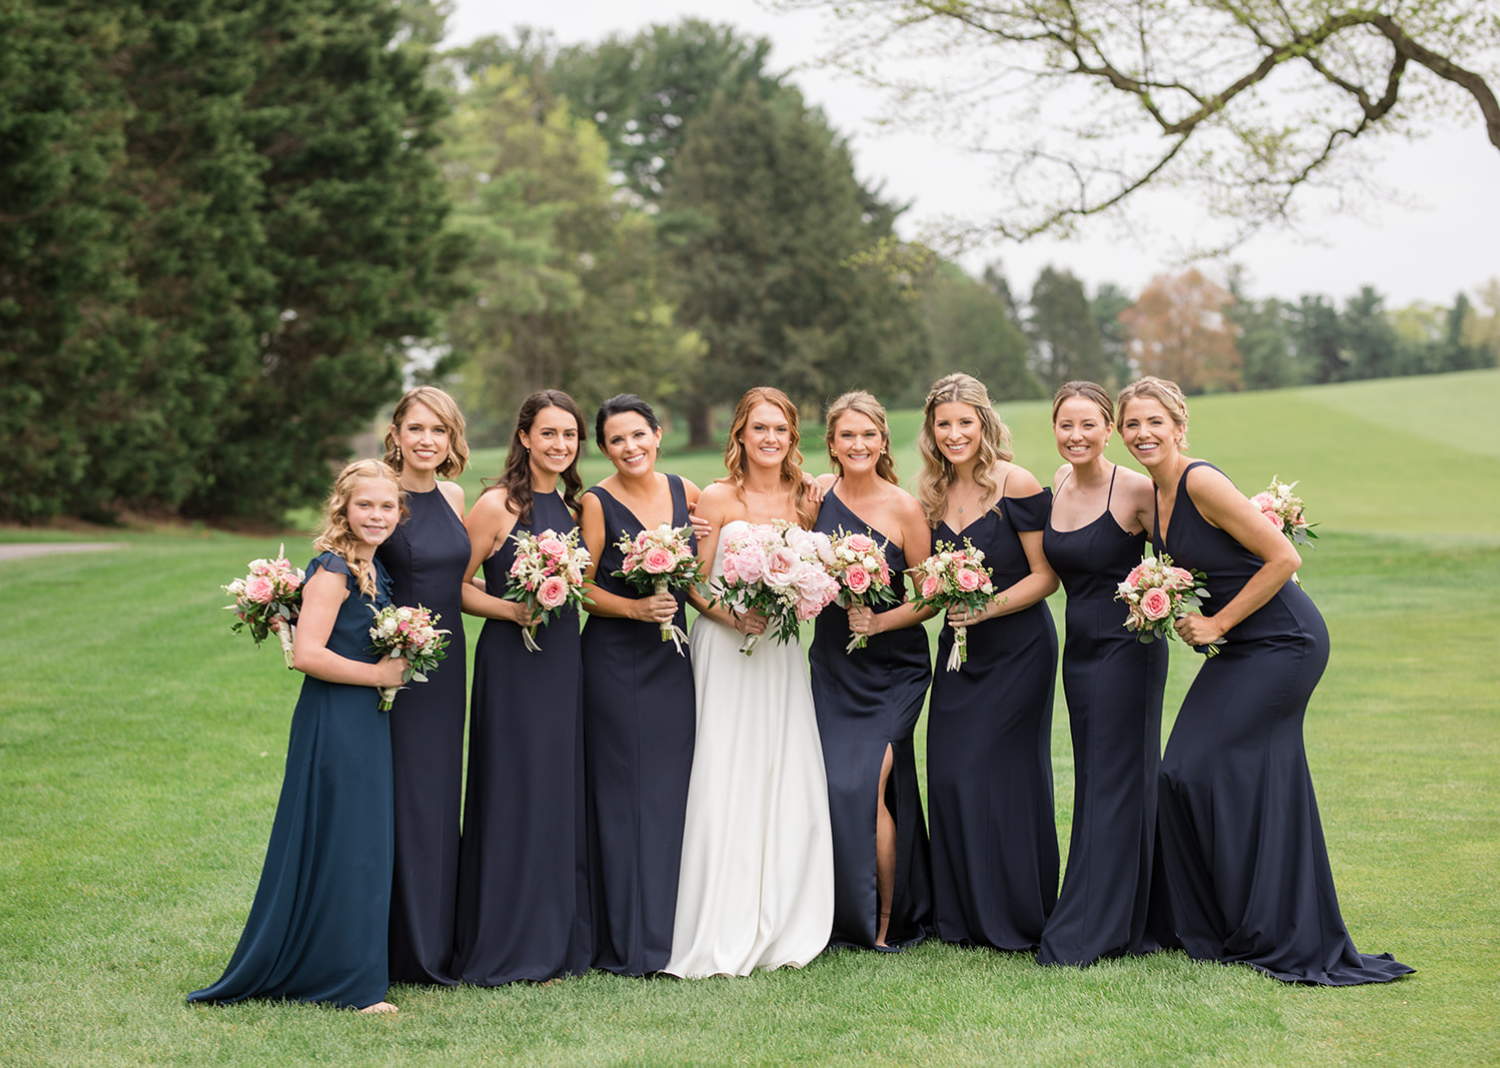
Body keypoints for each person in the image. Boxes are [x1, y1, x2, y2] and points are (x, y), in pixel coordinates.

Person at [1118, 375, 1412, 985]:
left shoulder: (1200, 480)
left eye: (1154, 422)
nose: (1142, 434)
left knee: (1207, 769)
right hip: (1242, 645)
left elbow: (1285, 558)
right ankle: (1226, 922)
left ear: (1179, 426)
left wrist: (1218, 621)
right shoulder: (1159, 492)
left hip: (1285, 643)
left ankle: (1280, 929)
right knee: (1182, 772)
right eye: (1132, 425)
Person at [189, 460, 409, 1013]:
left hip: (365, 717)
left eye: (387, 506)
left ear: (399, 512)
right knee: (349, 843)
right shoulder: (333, 568)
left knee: (359, 843)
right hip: (336, 717)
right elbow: (308, 656)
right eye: (365, 505)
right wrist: (380, 674)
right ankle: (351, 987)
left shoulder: (371, 567)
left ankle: (338, 966)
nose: (376, 515)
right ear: (343, 508)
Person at [663, 386, 835, 978]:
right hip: (726, 646)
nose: (770, 439)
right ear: (739, 434)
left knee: (782, 765)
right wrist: (729, 615)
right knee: (726, 765)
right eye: (758, 428)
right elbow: (691, 580)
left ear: (792, 438)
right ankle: (720, 917)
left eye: (780, 430)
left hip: (781, 653)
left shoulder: (806, 498)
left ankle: (788, 914)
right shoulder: (716, 496)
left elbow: (816, 572)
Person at [450, 391, 591, 985]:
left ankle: (553, 937)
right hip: (513, 662)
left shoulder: (577, 506)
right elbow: (455, 586)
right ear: (525, 437)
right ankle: (506, 941)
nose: (560, 445)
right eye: (549, 434)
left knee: (556, 791)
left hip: (563, 660)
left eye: (570, 436)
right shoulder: (497, 504)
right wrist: (509, 611)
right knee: (513, 789)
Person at [918, 372, 1061, 952]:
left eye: (965, 423)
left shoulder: (1015, 482)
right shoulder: (927, 492)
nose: (955, 434)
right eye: (944, 424)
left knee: (1004, 776)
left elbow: (1046, 577)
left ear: (984, 424)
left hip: (1018, 649)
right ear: (931, 429)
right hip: (956, 651)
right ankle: (960, 917)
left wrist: (985, 609)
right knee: (952, 772)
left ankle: (1016, 915)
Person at [1036, 381, 1167, 966]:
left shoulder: (1138, 489)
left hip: (1128, 650)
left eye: (1089, 425)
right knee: (1095, 779)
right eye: (1066, 425)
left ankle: (1094, 927)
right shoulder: (1059, 483)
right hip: (1078, 652)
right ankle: (1125, 912)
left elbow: (1187, 556)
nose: (1076, 436)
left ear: (1109, 429)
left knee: (1114, 782)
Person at [579, 394, 703, 976]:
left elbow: (705, 564)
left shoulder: (687, 492)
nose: (630, 448)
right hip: (615, 660)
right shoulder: (596, 502)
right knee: (625, 794)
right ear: (605, 449)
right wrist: (633, 611)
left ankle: (675, 927)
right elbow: (578, 588)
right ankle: (629, 937)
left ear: (658, 434)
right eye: (616, 441)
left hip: (673, 661)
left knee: (672, 791)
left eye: (638, 435)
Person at [808, 391, 934, 950]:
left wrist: (880, 625)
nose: (858, 444)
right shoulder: (812, 500)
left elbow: (931, 596)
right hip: (833, 665)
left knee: (863, 782)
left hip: (893, 668)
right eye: (846, 436)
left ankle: (885, 922)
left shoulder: (905, 507)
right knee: (831, 787)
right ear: (832, 444)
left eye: (868, 435)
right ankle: (833, 913)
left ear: (883, 441)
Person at [375, 386, 471, 985]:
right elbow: (347, 566)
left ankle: (438, 940)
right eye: (416, 429)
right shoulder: (380, 494)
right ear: (397, 434)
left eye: (438, 430)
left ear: (451, 438)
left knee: (439, 796)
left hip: (450, 662)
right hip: (400, 665)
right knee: (404, 798)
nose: (427, 440)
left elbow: (458, 579)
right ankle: (399, 946)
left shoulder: (455, 495)